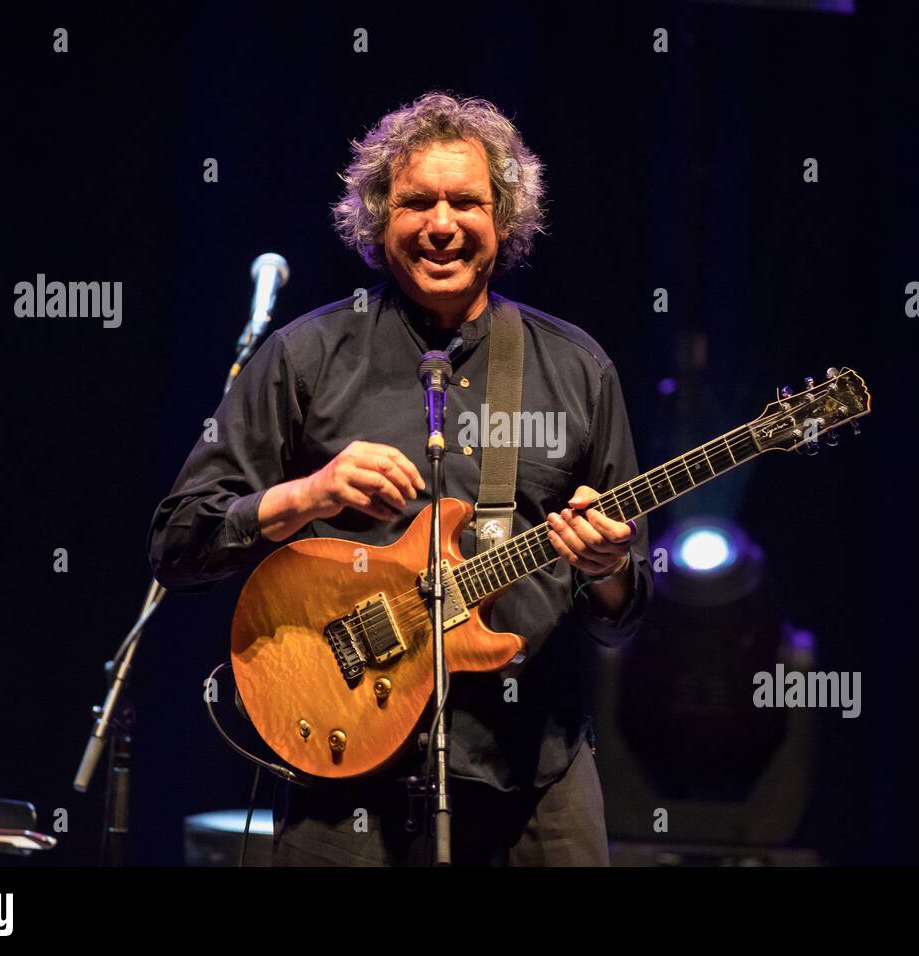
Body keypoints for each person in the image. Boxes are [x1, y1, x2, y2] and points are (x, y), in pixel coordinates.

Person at [147, 91, 653, 865]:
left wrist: (607, 566)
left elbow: (622, 611)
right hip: (341, 764)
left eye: (466, 202)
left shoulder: (577, 369)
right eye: (417, 201)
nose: (441, 224)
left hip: (529, 773)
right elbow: (178, 543)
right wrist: (303, 496)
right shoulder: (305, 356)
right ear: (378, 218)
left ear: (505, 219)